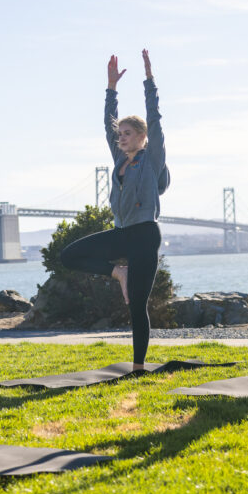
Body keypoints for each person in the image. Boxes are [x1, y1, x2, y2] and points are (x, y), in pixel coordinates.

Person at [60, 50, 169, 370]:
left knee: (137, 305)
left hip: (145, 235)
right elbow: (108, 120)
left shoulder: (152, 159)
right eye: (119, 134)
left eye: (127, 134)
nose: (120, 138)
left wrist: (149, 79)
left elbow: (156, 118)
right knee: (69, 256)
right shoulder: (120, 158)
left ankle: (138, 368)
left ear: (142, 136)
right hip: (122, 233)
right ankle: (117, 272)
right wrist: (111, 87)